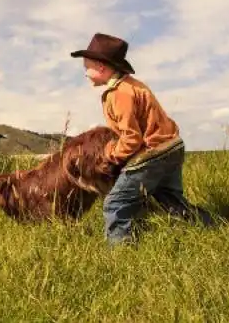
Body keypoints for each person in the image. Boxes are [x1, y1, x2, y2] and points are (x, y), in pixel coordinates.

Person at [70, 32, 214, 246]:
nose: (85, 73)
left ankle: (122, 255)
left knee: (115, 203)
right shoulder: (131, 85)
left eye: (86, 67)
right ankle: (211, 230)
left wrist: (110, 155)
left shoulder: (120, 93)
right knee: (172, 201)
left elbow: (131, 138)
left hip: (153, 153)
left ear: (101, 67)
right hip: (172, 147)